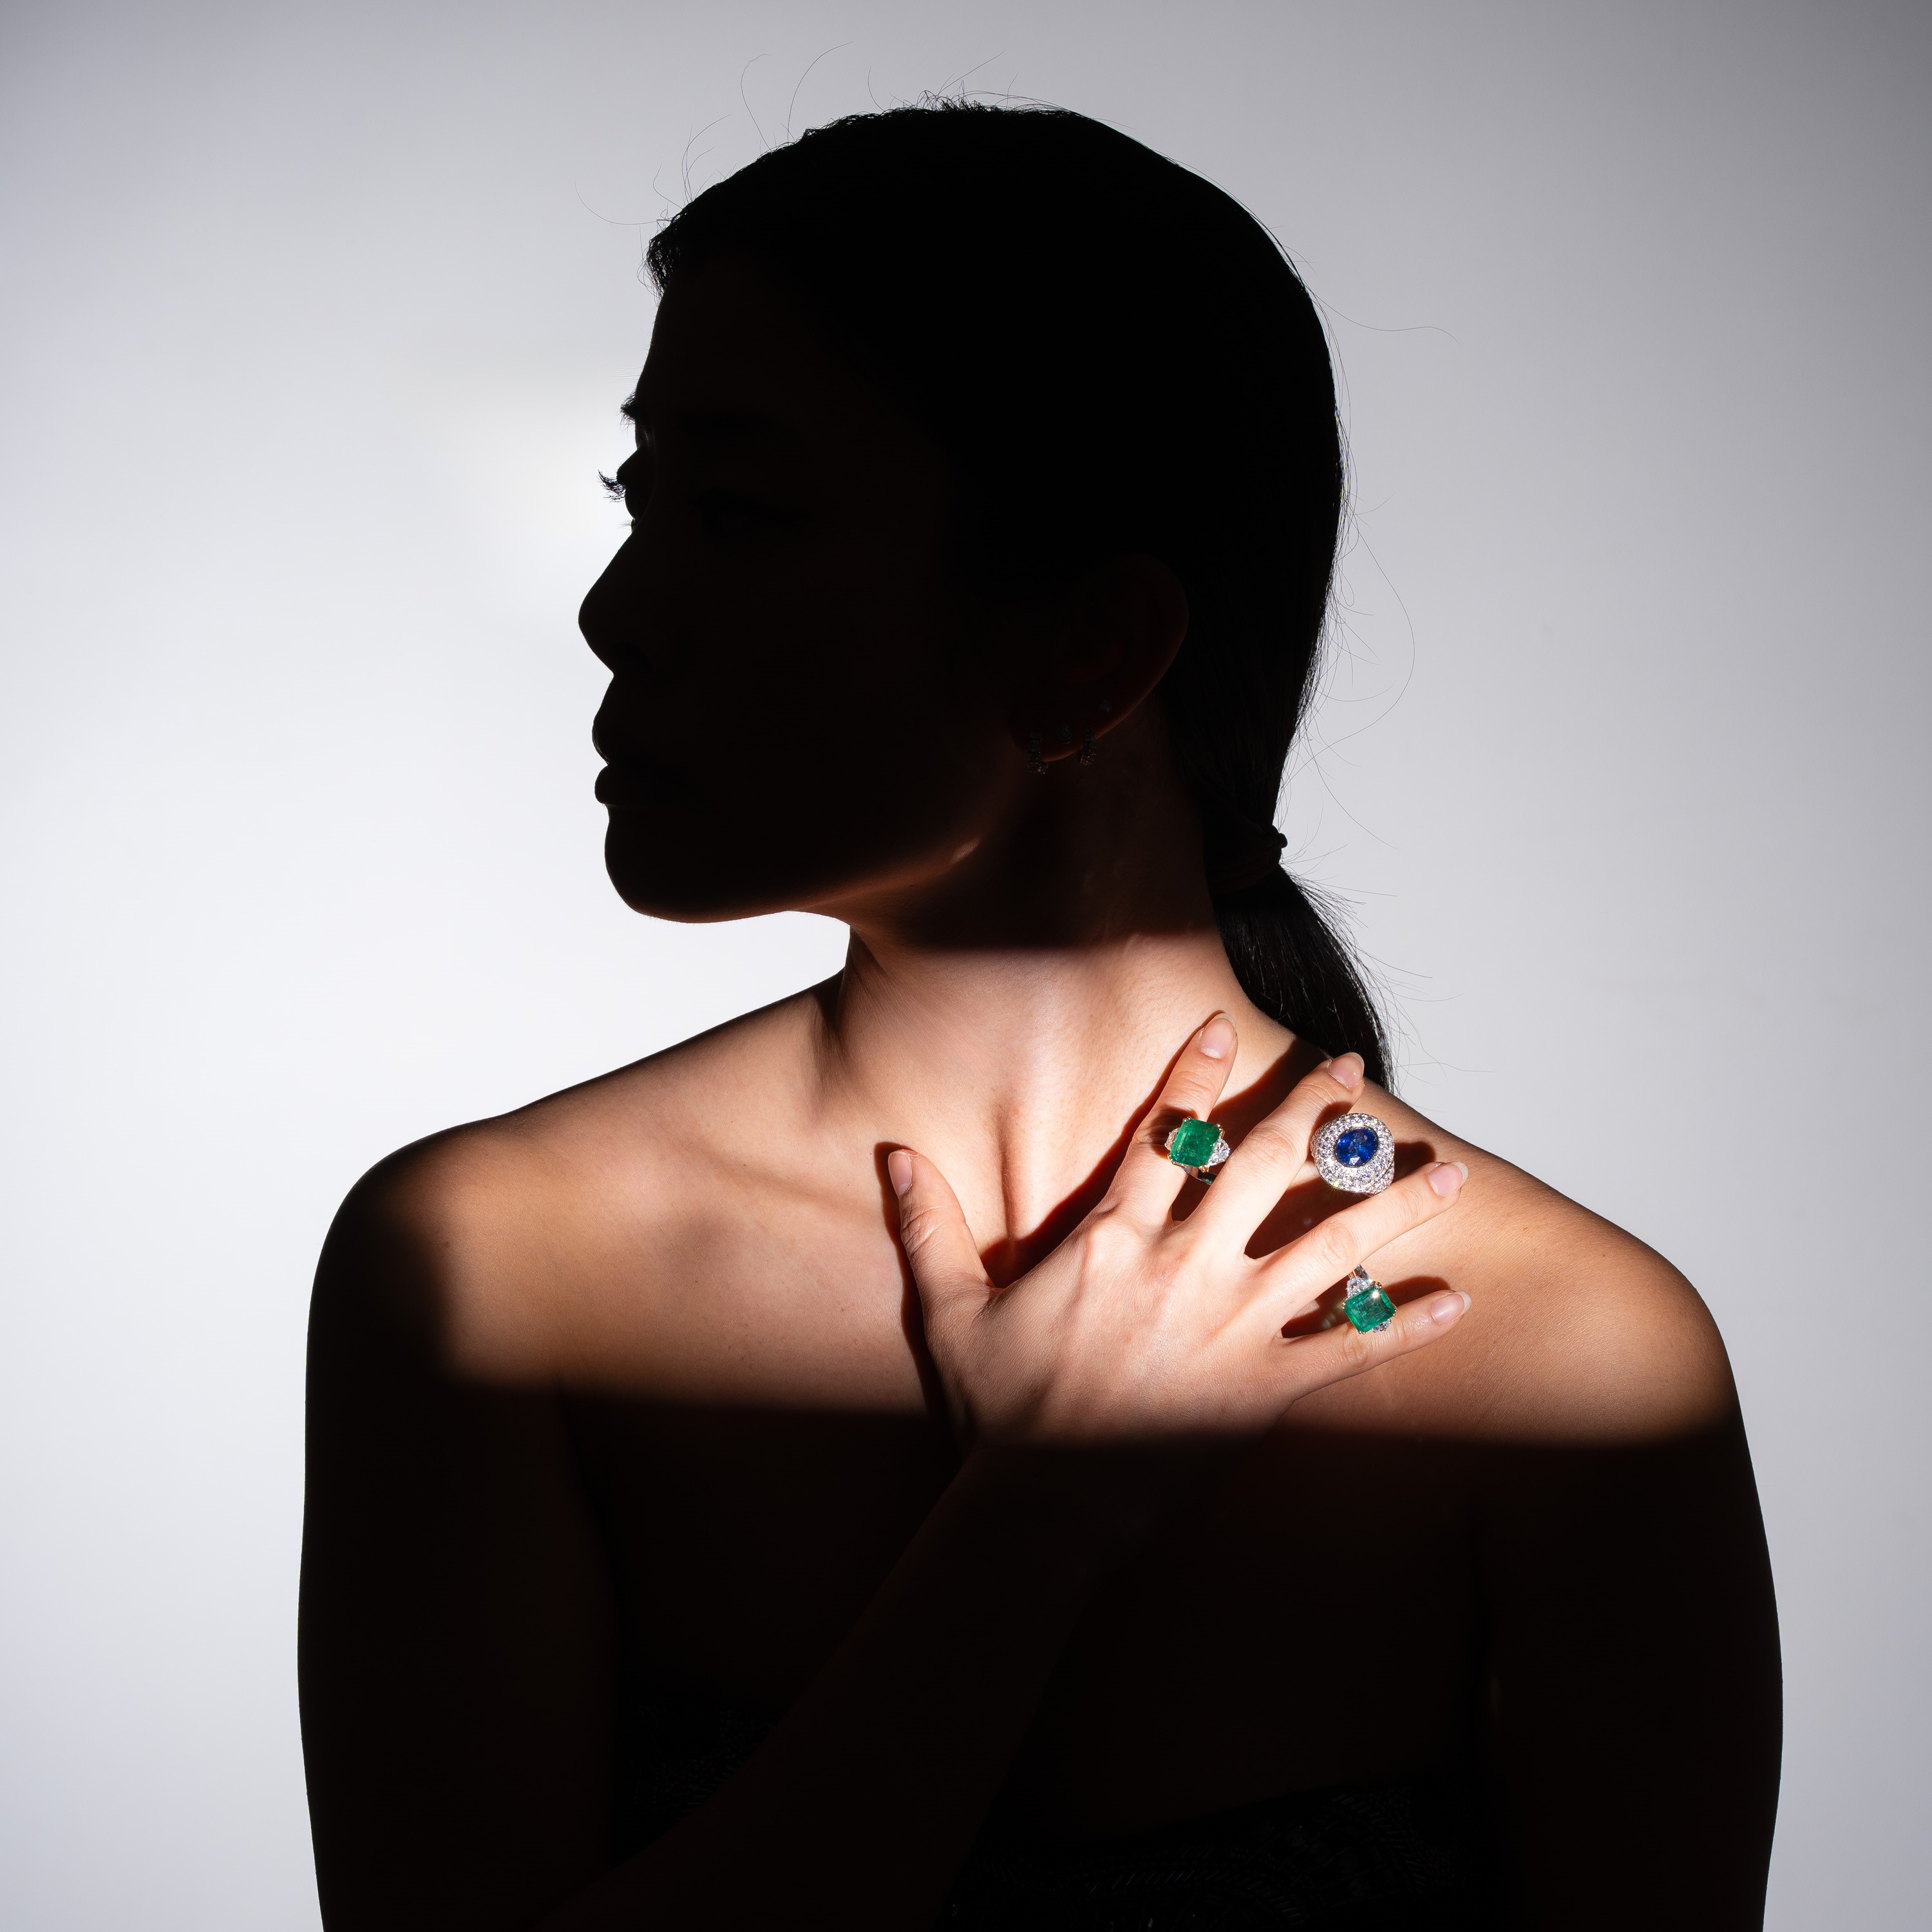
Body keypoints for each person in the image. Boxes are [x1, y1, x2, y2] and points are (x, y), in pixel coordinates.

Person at [298, 102, 1781, 1931]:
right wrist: (1034, 1521)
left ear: (1093, 651)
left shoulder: (1570, 1367)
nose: (618, 611)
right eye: (640, 500)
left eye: (741, 513)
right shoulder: (491, 1272)